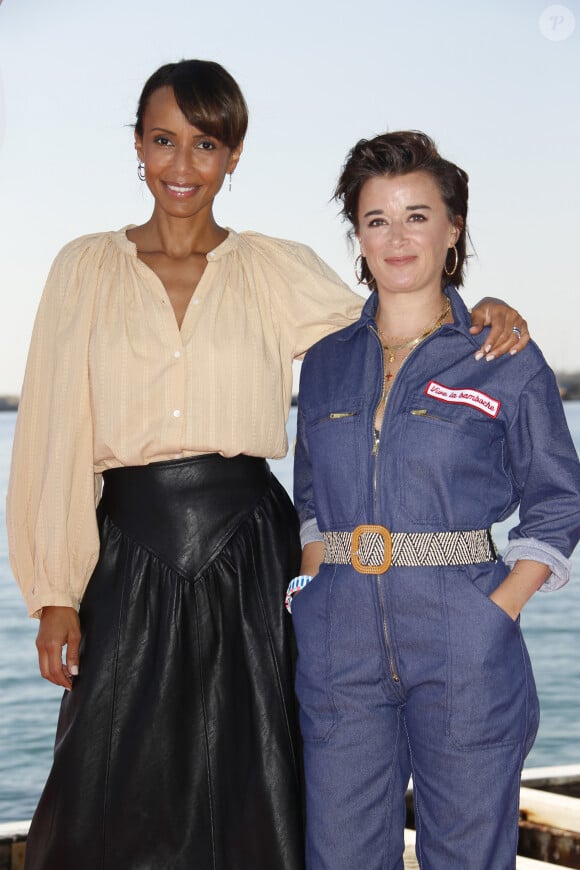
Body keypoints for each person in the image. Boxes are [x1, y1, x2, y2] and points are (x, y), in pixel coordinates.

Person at [7, 59, 528, 870]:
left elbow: (393, 315)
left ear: (234, 155)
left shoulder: (271, 266)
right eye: (163, 141)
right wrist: (52, 593)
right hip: (128, 550)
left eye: (206, 144)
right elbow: (48, 433)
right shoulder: (84, 268)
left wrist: (480, 310)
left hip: (250, 548)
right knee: (104, 779)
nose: (183, 166)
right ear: (138, 148)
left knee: (258, 776)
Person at [291, 131, 580, 870]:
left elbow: (557, 498)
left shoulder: (503, 355)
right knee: (342, 857)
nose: (397, 237)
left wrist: (499, 610)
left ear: (453, 230)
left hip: (465, 637)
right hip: (338, 642)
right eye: (377, 218)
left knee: (468, 859)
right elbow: (312, 497)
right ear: (357, 233)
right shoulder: (324, 363)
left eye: (418, 216)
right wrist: (312, 589)